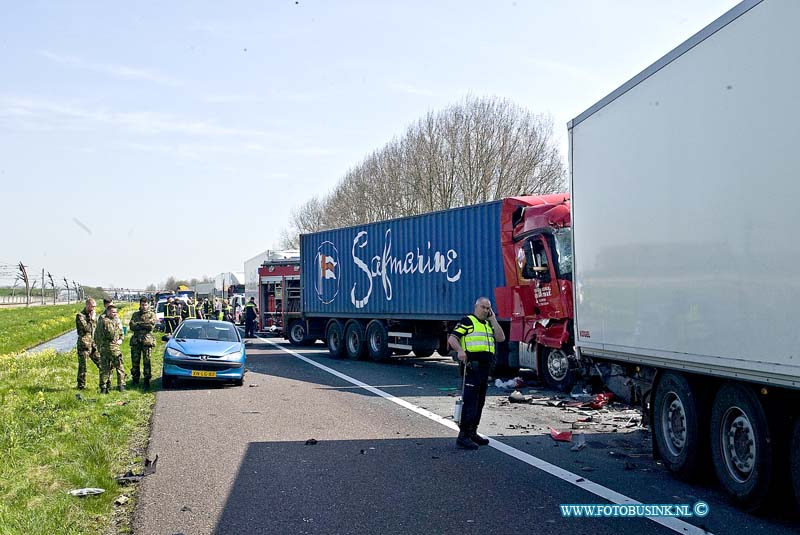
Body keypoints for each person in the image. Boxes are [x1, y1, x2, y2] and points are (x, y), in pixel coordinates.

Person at [448, 297, 505, 450]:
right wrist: (460, 350)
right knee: (470, 402)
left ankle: (473, 432)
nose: (485, 310)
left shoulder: (488, 324)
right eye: (483, 307)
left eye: (488, 308)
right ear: (476, 307)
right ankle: (463, 436)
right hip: (472, 368)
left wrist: (493, 319)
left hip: (485, 369)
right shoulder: (468, 321)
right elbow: (452, 339)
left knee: (480, 402)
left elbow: (501, 337)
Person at [95, 304, 126, 393]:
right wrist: (118, 338)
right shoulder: (108, 322)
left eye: (116, 312)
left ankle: (104, 388)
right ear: (108, 312)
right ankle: (121, 386)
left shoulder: (101, 321)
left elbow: (96, 336)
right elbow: (112, 334)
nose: (115, 314)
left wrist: (99, 346)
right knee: (119, 367)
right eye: (113, 312)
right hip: (112, 348)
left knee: (104, 369)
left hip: (103, 348)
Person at [129, 297, 156, 390]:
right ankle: (135, 379)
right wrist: (143, 324)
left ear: (148, 305)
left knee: (147, 361)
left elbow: (150, 326)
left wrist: (139, 324)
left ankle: (146, 380)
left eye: (145, 304)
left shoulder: (151, 314)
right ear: (139, 305)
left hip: (147, 341)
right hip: (136, 341)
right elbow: (132, 326)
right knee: (135, 362)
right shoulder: (135, 314)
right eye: (142, 304)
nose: (144, 306)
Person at [75, 298, 100, 389]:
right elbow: (87, 329)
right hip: (84, 345)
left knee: (101, 362)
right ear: (87, 305)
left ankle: (105, 383)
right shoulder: (80, 316)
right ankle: (81, 386)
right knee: (83, 367)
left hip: (93, 344)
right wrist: (92, 319)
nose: (94, 308)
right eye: (92, 306)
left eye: (95, 307)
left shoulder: (92, 315)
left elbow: (95, 329)